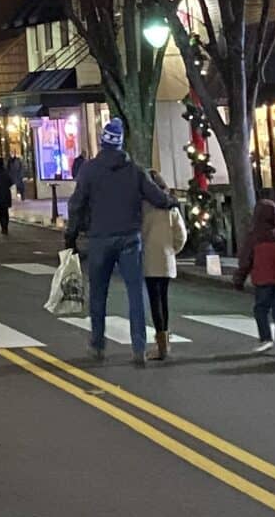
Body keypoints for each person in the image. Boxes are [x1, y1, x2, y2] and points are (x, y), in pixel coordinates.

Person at [62, 117, 172, 367]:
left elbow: (77, 204)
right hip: (129, 238)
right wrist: (171, 202)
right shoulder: (135, 171)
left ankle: (98, 344)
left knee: (98, 293)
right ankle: (139, 346)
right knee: (135, 293)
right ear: (121, 144)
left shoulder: (89, 170)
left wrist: (71, 235)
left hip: (100, 237)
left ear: (103, 142)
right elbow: (157, 197)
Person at [235, 199, 275, 357]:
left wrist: (239, 279)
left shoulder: (254, 237)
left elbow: (246, 260)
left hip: (262, 280)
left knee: (261, 310)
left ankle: (266, 338)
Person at [140, 169, 185, 362]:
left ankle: (161, 344)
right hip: (166, 258)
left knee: (155, 300)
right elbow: (181, 234)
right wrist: (173, 249)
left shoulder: (143, 207)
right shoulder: (170, 207)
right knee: (164, 300)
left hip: (149, 258)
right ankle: (165, 341)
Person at [0, 154, 15, 237]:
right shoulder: (6, 173)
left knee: (1, 212)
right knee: (5, 211)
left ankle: (3, 227)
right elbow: (11, 182)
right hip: (6, 194)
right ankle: (6, 227)